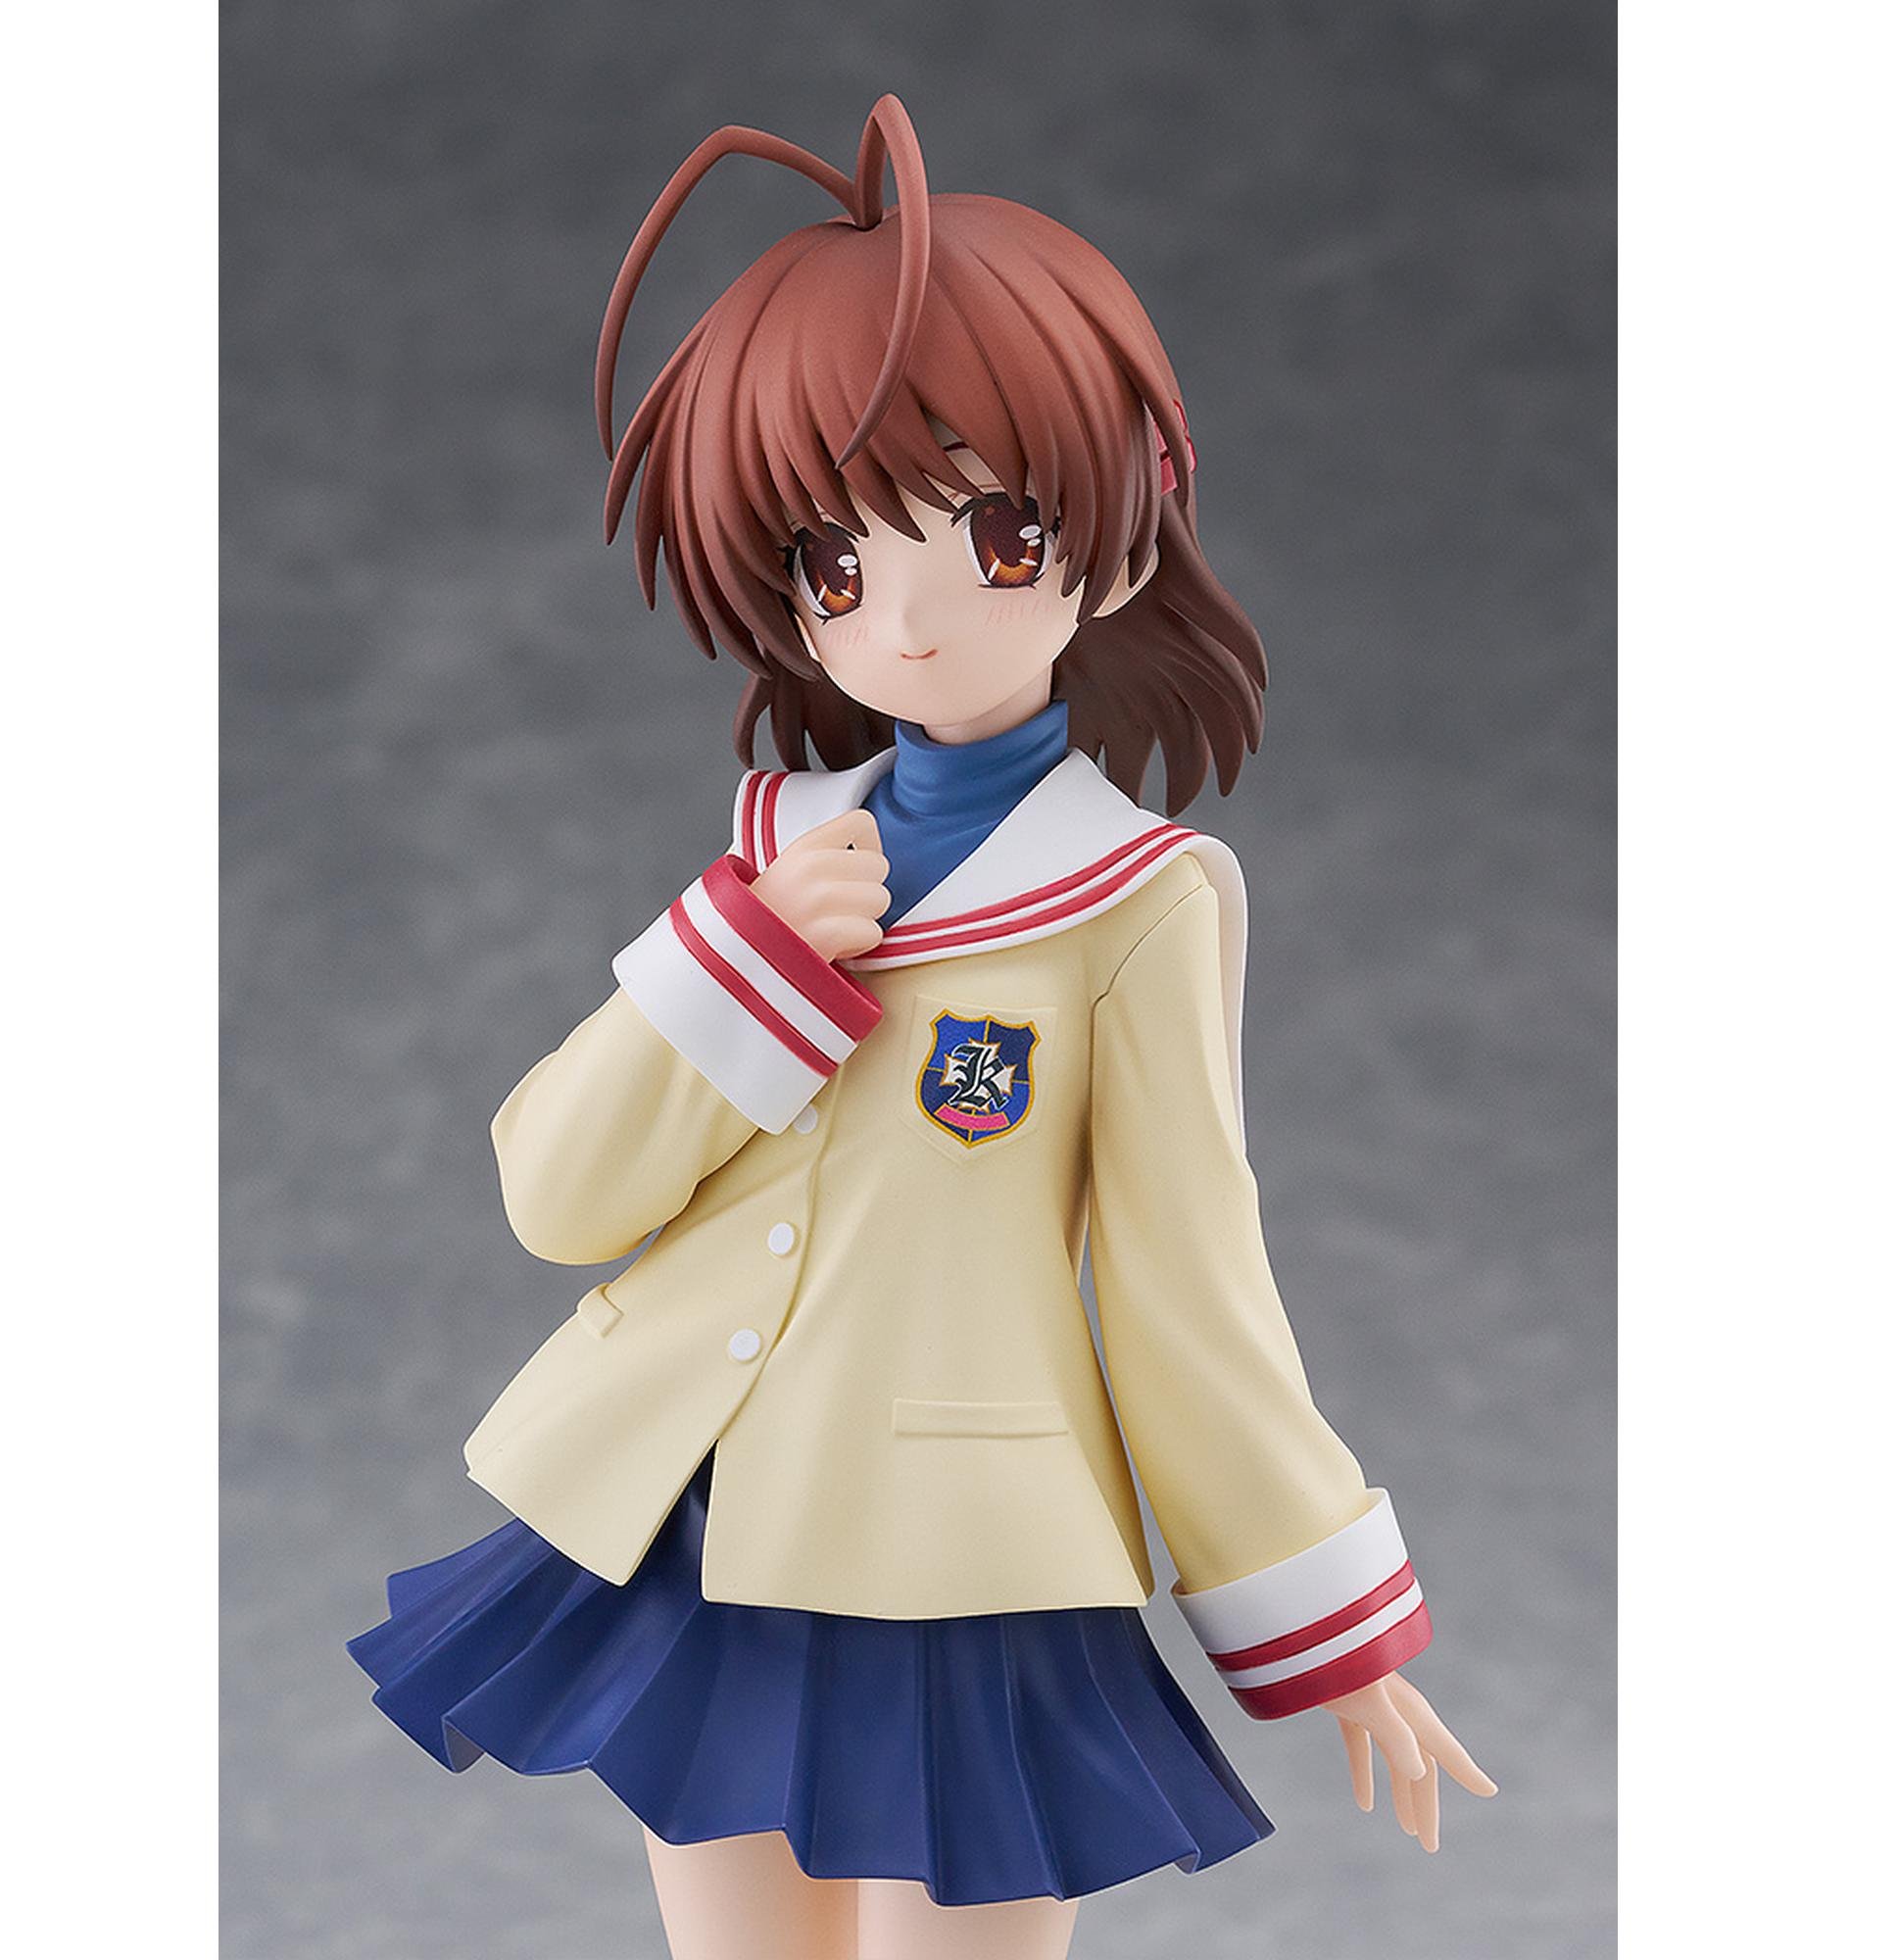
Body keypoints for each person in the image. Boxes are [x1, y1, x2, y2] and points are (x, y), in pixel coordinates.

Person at [349, 94, 1494, 1960]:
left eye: (1001, 532)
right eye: (836, 564)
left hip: (969, 1565)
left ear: (1115, 539)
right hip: (699, 1529)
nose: (909, 617)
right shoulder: (779, 861)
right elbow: (559, 1198)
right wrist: (737, 959)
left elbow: (1192, 1291)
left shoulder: (1132, 904)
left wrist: (1330, 1623)